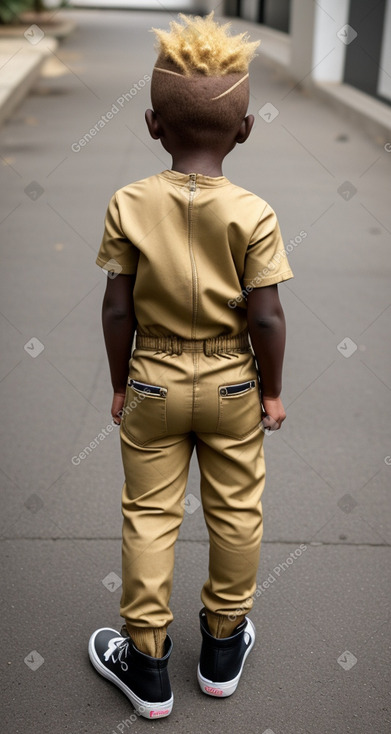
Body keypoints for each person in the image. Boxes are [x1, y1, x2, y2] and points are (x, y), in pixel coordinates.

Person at [88, 12, 293, 720]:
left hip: (152, 379)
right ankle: (221, 646)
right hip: (234, 381)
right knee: (236, 512)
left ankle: (145, 662)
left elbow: (117, 309)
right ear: (243, 130)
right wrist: (272, 391)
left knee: (149, 514)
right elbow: (266, 316)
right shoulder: (254, 213)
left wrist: (119, 382)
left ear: (151, 124)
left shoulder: (127, 203)